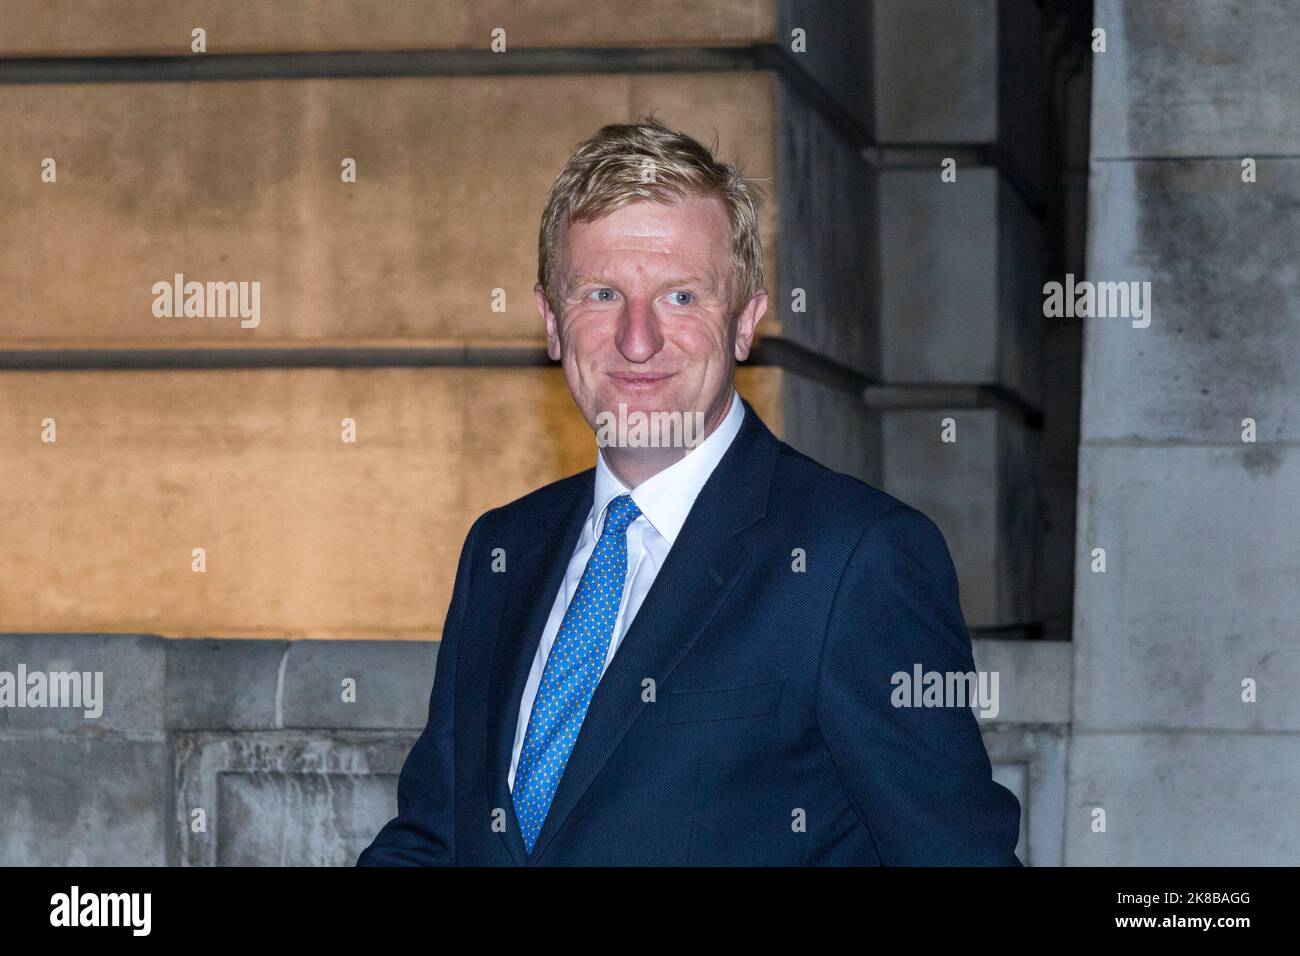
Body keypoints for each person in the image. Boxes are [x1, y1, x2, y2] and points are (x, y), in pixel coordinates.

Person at [358, 118, 1022, 866]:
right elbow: (437, 837)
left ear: (744, 321)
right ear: (551, 321)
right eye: (602, 293)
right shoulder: (501, 547)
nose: (637, 340)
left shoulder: (855, 560)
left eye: (680, 296)